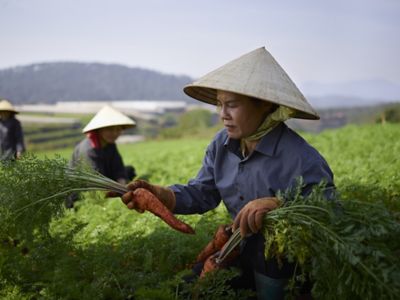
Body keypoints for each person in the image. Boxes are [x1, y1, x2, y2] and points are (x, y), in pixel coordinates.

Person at [115, 47, 334, 299]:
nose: (223, 115)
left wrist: (278, 204)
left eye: (232, 105)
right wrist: (159, 194)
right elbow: (201, 193)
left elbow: (328, 213)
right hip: (235, 251)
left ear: (264, 104)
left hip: (286, 267)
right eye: (220, 105)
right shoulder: (221, 145)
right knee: (182, 289)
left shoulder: (301, 159)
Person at [66, 105, 137, 208]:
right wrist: (121, 190)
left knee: (129, 170)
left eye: (118, 129)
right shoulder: (88, 150)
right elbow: (95, 183)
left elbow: (118, 168)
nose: (115, 133)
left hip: (105, 179)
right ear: (99, 130)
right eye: (110, 129)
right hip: (83, 190)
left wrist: (123, 184)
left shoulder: (110, 144)